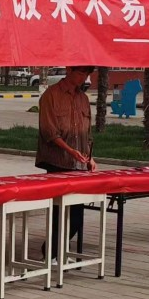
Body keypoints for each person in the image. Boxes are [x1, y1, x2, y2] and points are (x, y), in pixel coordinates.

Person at [35, 65, 98, 262]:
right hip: (57, 161)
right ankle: (52, 253)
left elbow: (86, 133)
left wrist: (89, 156)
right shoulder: (51, 96)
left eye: (87, 74)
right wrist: (70, 150)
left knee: (76, 216)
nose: (84, 78)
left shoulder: (83, 98)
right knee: (58, 212)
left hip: (79, 164)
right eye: (81, 73)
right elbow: (49, 131)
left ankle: (56, 250)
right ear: (70, 70)